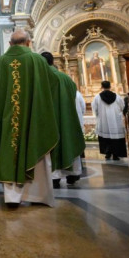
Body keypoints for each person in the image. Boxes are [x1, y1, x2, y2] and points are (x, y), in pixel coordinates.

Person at [0, 30, 59, 208]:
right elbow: (52, 84)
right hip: (32, 118)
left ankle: (12, 198)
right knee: (34, 148)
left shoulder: (0, 63)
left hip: (6, 119)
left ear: (10, 44)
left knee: (7, 149)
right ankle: (37, 196)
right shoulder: (37, 60)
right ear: (29, 43)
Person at [41, 52, 86, 187]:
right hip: (68, 119)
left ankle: (54, 178)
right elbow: (76, 99)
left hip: (50, 120)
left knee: (53, 147)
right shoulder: (66, 78)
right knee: (69, 142)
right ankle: (73, 174)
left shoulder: (43, 77)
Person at [92, 81, 126, 161]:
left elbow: (95, 109)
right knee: (116, 138)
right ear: (110, 86)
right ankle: (116, 155)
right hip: (115, 122)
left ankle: (107, 153)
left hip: (104, 123)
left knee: (105, 138)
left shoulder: (97, 98)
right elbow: (122, 107)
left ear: (101, 87)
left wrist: (99, 116)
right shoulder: (117, 97)